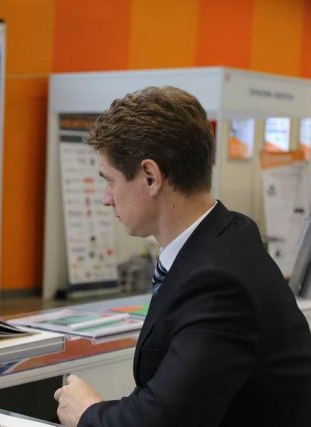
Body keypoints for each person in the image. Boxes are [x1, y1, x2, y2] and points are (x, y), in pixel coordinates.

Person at [54, 86, 311, 426]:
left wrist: (86, 413)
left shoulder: (218, 282)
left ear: (151, 177)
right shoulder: (227, 234)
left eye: (110, 181)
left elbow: (164, 420)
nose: (106, 198)